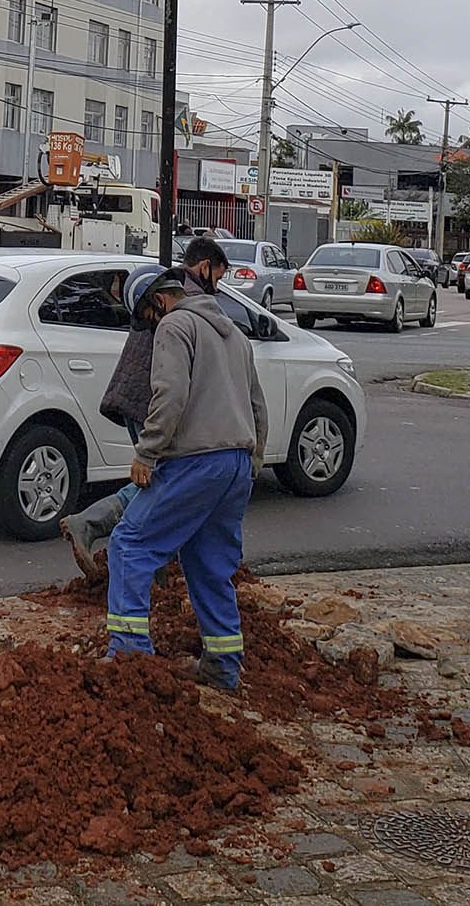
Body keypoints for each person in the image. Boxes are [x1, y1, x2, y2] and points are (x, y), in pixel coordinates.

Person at [104, 264, 267, 690]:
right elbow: (257, 404)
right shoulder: (234, 335)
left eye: (147, 318)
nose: (149, 328)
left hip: (195, 461)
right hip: (236, 462)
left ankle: (129, 658)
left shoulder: (174, 326)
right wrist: (254, 458)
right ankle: (223, 667)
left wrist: (147, 452)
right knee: (209, 563)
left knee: (129, 544)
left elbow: (170, 394)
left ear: (158, 301)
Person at [60, 237, 230, 579]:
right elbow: (178, 380)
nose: (217, 286)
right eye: (218, 277)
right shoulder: (187, 300)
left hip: (136, 396)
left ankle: (160, 565)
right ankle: (96, 528)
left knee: (163, 482)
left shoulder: (166, 288)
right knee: (166, 482)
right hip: (152, 402)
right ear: (204, 267)